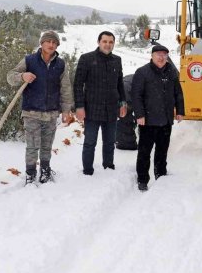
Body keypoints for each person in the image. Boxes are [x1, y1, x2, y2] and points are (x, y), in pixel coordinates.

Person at [7, 30, 73, 185]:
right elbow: (10, 76)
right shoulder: (29, 60)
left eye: (54, 42)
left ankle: (45, 171)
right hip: (31, 112)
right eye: (48, 41)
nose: (51, 44)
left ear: (57, 45)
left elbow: (65, 88)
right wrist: (22, 76)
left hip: (51, 113)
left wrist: (65, 110)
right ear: (41, 43)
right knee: (32, 146)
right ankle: (30, 174)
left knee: (46, 146)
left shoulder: (61, 64)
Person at [132, 45, 185, 191]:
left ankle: (160, 173)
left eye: (164, 55)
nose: (161, 57)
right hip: (148, 120)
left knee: (162, 150)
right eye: (158, 54)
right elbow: (136, 96)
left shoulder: (172, 72)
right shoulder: (142, 72)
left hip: (166, 120)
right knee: (144, 151)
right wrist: (140, 115)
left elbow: (178, 93)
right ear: (152, 56)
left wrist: (180, 110)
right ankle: (142, 179)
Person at [74, 31, 127, 176]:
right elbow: (78, 84)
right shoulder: (86, 59)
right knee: (90, 142)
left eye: (111, 42)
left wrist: (123, 103)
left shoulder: (117, 60)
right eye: (105, 41)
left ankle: (108, 167)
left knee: (110, 142)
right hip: (92, 109)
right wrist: (79, 106)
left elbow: (120, 84)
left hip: (111, 108)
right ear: (99, 42)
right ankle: (87, 171)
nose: (108, 45)